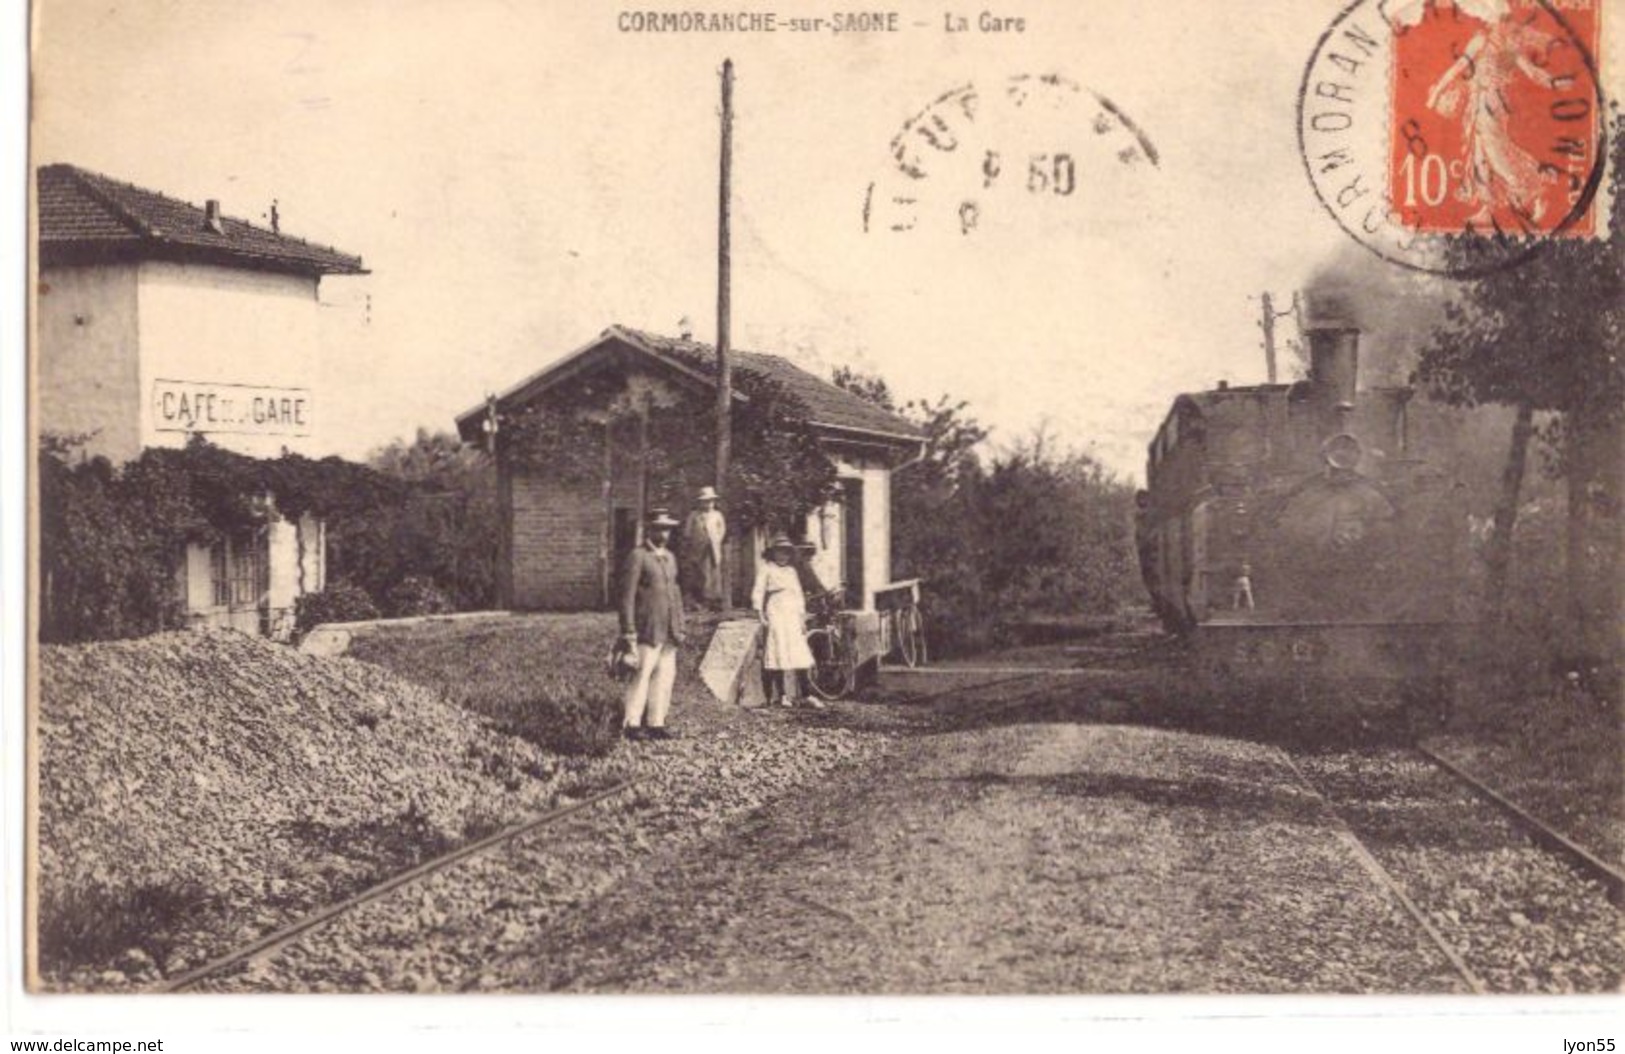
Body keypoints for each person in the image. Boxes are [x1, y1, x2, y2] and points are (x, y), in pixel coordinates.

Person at [619, 509, 685, 742]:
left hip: (669, 629)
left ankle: (656, 722)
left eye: (666, 528)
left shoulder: (670, 558)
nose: (663, 533)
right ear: (650, 530)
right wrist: (628, 632)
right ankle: (632, 723)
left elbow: (674, 593)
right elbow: (626, 597)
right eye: (658, 528)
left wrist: (680, 624)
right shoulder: (638, 556)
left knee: (665, 676)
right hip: (647, 627)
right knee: (641, 675)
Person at [752, 533, 819, 709]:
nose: (783, 555)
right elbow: (759, 591)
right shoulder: (766, 568)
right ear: (773, 553)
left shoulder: (791, 571)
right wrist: (760, 613)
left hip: (792, 612)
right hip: (776, 610)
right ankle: (781, 695)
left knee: (798, 652)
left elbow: (798, 594)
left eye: (786, 552)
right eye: (779, 552)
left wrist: (802, 617)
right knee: (779, 651)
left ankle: (806, 694)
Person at [681, 486, 727, 610]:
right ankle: (699, 600)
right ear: (700, 502)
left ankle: (713, 600)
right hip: (697, 549)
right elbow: (687, 532)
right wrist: (692, 543)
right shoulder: (694, 515)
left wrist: (716, 540)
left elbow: (722, 530)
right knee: (699, 573)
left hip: (712, 548)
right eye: (705, 501)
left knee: (713, 573)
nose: (709, 504)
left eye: (711, 501)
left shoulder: (717, 515)